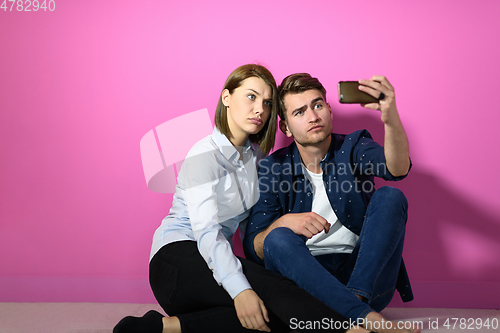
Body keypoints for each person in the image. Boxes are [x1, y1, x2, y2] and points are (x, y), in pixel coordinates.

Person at [113, 65, 373, 333]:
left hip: (214, 266)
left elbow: (252, 228)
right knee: (273, 292)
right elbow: (207, 232)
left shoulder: (257, 158)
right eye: (251, 97)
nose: (260, 109)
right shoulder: (204, 154)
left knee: (272, 315)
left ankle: (160, 328)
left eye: (267, 102)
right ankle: (348, 330)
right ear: (227, 98)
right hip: (177, 260)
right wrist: (240, 290)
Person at [243, 73, 420, 333]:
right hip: (306, 284)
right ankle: (361, 317)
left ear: (329, 110)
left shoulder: (353, 145)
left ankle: (353, 306)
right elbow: (253, 247)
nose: (313, 116)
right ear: (286, 127)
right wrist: (282, 223)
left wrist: (390, 117)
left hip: (365, 280)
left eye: (317, 105)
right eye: (300, 111)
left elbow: (397, 169)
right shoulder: (273, 168)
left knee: (391, 196)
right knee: (276, 237)